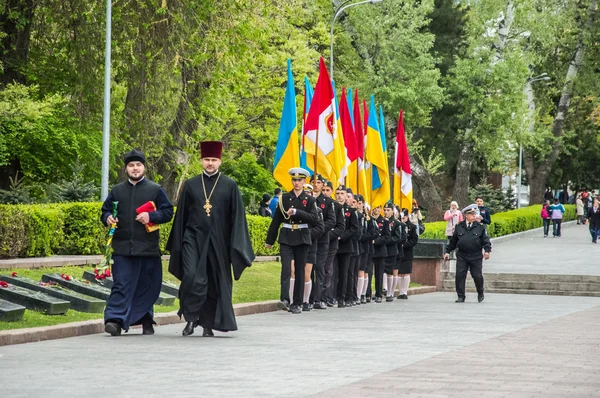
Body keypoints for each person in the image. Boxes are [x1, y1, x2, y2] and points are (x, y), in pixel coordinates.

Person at [167, 141, 255, 337]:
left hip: (219, 241)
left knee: (213, 282)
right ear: (201, 160)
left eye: (214, 160)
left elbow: (237, 218)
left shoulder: (229, 185)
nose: (210, 163)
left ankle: (207, 324)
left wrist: (236, 245)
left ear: (220, 162)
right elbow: (181, 215)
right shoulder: (191, 184)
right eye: (207, 159)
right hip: (193, 238)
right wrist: (177, 245)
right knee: (191, 276)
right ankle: (190, 318)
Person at [101, 149, 174, 337]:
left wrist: (151, 215)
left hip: (148, 248)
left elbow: (168, 212)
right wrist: (108, 218)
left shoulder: (155, 189)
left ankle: (146, 319)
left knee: (145, 285)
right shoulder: (117, 190)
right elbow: (105, 211)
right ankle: (114, 321)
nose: (135, 168)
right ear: (126, 169)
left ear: (144, 168)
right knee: (121, 284)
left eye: (138, 165)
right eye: (131, 165)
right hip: (122, 248)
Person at [266, 167, 321, 314]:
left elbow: (314, 218)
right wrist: (269, 240)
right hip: (286, 236)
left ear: (304, 181)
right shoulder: (284, 198)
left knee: (299, 270)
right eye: (294, 180)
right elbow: (276, 220)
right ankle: (285, 298)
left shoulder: (309, 200)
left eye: (299, 180)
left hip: (302, 237)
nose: (296, 183)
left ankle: (297, 302)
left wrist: (297, 212)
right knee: (286, 268)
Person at [444, 204, 492, 303]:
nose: (474, 215)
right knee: (460, 275)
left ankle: (480, 292)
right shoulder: (459, 226)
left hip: (476, 255)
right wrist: (447, 251)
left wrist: (487, 251)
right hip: (462, 255)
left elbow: (485, 241)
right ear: (466, 215)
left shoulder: (480, 227)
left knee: (477, 276)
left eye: (475, 214)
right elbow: (453, 241)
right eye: (472, 214)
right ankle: (461, 296)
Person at [308, 175, 337, 310]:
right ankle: (306, 298)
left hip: (321, 240)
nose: (316, 185)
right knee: (308, 269)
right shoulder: (306, 199)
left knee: (320, 268)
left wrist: (318, 230)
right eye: (313, 182)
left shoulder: (328, 202)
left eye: (318, 182)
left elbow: (332, 221)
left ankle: (318, 298)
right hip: (307, 240)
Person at [334, 185, 359, 308]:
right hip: (332, 245)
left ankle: (342, 297)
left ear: (346, 196)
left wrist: (342, 236)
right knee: (332, 272)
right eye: (337, 193)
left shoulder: (351, 211)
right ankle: (331, 296)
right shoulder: (331, 208)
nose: (339, 195)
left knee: (344, 273)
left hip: (345, 246)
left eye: (342, 193)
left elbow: (354, 228)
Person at [322, 181, 345, 307]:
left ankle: (326, 296)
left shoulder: (336, 206)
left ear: (331, 191)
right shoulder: (316, 203)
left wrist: (326, 235)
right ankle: (317, 296)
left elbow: (340, 226)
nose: (325, 192)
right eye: (323, 190)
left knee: (328, 269)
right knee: (319, 268)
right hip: (318, 242)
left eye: (327, 190)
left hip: (331, 242)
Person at [397, 208, 418, 299]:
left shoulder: (412, 227)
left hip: (407, 251)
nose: (403, 219)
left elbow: (414, 239)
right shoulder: (398, 225)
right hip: (398, 251)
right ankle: (400, 291)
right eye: (402, 218)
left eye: (404, 217)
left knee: (406, 272)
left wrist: (405, 245)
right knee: (399, 272)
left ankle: (404, 292)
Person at [383, 202, 402, 302]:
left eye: (388, 210)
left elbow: (397, 237)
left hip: (391, 250)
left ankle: (390, 292)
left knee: (390, 272)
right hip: (382, 249)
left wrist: (387, 240)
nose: (386, 212)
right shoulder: (382, 221)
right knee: (383, 271)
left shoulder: (396, 223)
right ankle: (384, 289)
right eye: (385, 210)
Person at [370, 205, 390, 303]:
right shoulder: (368, 220)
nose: (376, 210)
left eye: (378, 207)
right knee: (368, 273)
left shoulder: (385, 222)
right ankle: (367, 294)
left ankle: (378, 294)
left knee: (379, 273)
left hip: (380, 250)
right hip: (369, 250)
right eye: (374, 207)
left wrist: (375, 241)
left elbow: (387, 237)